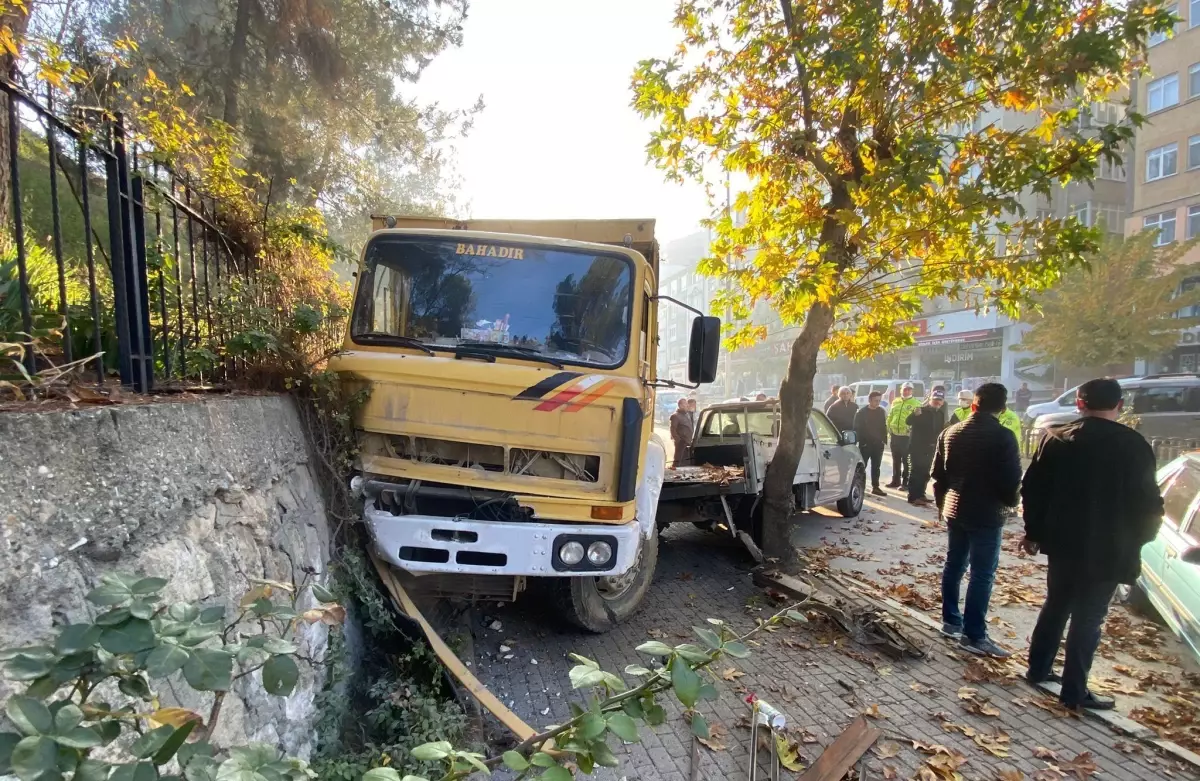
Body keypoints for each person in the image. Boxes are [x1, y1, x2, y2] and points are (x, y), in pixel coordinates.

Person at [1020, 378, 1164, 711]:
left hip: (1062, 544)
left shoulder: (1056, 439)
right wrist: (1140, 539)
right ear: (1120, 405)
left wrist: (1033, 532)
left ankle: (1038, 669)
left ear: (1080, 403)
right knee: (1088, 618)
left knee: (1055, 606)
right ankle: (1074, 691)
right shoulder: (1133, 445)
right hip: (1109, 548)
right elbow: (1148, 503)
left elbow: (1033, 489)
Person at [932, 383, 1022, 658]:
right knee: (982, 574)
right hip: (986, 513)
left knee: (954, 564)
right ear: (1003, 409)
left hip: (954, 509)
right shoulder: (1004, 437)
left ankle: (950, 621)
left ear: (973, 405)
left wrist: (942, 506)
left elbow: (938, 476)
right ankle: (974, 635)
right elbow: (1011, 482)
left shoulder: (950, 433)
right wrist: (1012, 505)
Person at [906, 387, 947, 506]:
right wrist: (914, 415)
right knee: (916, 471)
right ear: (930, 399)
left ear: (942, 402)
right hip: (918, 447)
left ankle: (921, 494)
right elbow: (908, 421)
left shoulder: (940, 413)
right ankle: (913, 497)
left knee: (926, 472)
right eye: (935, 400)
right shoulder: (920, 410)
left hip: (932, 447)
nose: (937, 402)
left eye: (939, 400)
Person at [886, 382, 920, 489]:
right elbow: (890, 416)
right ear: (901, 390)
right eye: (905, 389)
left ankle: (905, 483)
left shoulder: (916, 403)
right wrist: (888, 429)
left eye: (909, 389)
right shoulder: (896, 401)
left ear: (912, 391)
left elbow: (918, 421)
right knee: (895, 460)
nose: (906, 391)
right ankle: (895, 481)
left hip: (907, 437)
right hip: (895, 435)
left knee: (906, 460)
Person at [854, 391, 888, 496]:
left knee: (876, 466)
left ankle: (875, 487)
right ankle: (859, 486)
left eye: (879, 400)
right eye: (875, 400)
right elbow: (856, 428)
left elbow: (883, 426)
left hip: (878, 444)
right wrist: (861, 441)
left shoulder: (881, 411)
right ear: (870, 400)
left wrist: (883, 440)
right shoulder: (861, 412)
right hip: (865, 444)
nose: (877, 403)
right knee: (862, 466)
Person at [669, 398, 694, 468]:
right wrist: (679, 440)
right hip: (681, 442)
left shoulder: (687, 415)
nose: (687, 405)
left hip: (688, 441)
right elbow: (673, 429)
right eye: (685, 404)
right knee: (678, 460)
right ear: (680, 405)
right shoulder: (675, 416)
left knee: (685, 461)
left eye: (687, 404)